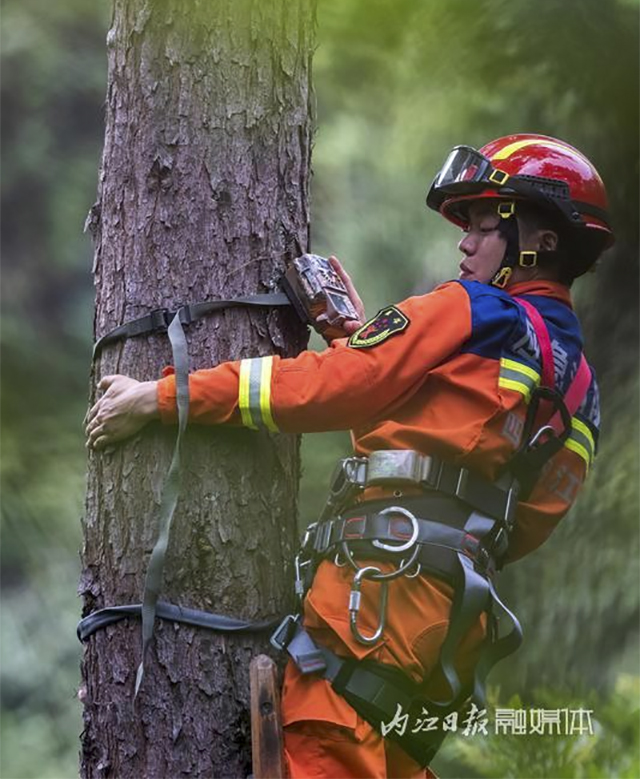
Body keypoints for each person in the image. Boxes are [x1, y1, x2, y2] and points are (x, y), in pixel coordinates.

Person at [85, 133, 612, 779]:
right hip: (452, 627)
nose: (464, 243)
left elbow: (331, 390)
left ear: (541, 241)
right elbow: (521, 512)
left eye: (481, 226)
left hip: (375, 600)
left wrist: (167, 395)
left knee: (325, 748)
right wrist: (353, 343)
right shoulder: (580, 386)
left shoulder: (470, 308)